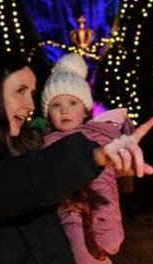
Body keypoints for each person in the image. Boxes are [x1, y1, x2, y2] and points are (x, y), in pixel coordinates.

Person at [0, 49, 153, 264]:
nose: (31, 104)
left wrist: (104, 169)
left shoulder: (18, 142)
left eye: (32, 93)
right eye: (20, 90)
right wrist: (90, 157)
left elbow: (43, 179)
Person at [41, 53, 133, 264]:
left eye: (72, 102)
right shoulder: (46, 142)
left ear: (85, 109)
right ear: (48, 113)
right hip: (67, 211)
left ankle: (107, 227)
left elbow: (109, 176)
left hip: (96, 205)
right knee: (76, 243)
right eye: (56, 105)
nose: (64, 110)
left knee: (102, 195)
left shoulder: (96, 134)